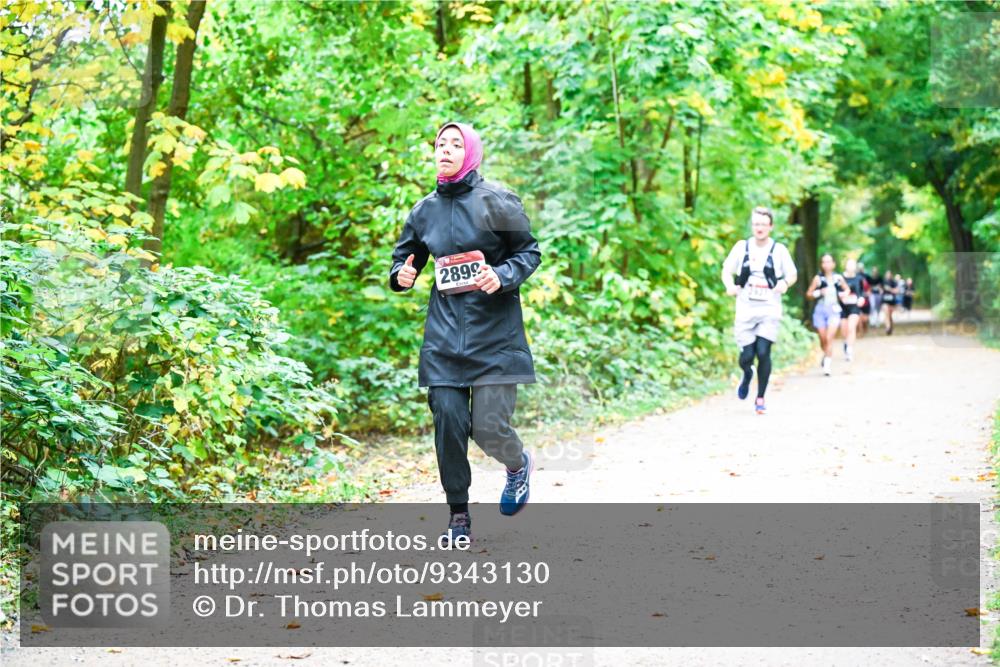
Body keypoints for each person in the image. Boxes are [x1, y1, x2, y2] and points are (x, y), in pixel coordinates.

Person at [388, 121, 541, 542]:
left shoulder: (499, 201)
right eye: (441, 144)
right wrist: (401, 274)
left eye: (456, 144)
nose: (447, 150)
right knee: (450, 424)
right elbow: (406, 258)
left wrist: (503, 274)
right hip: (443, 340)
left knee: (489, 426)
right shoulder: (423, 211)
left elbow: (529, 251)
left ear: (470, 153)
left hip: (496, 337)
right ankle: (459, 517)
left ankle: (516, 464)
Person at [721, 205, 798, 415]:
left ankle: (760, 397)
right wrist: (729, 286)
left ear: (771, 226)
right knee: (746, 357)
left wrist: (784, 284)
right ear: (752, 225)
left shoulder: (779, 250)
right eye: (756, 224)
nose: (759, 228)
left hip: (769, 308)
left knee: (763, 352)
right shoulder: (741, 247)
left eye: (763, 224)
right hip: (745, 309)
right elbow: (726, 270)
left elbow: (792, 275)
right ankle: (747, 374)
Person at [806, 253, 850, 375]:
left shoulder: (838, 278)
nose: (827, 264)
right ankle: (826, 354)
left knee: (830, 337)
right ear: (821, 264)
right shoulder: (818, 279)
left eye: (829, 261)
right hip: (820, 310)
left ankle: (827, 365)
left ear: (834, 264)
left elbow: (847, 289)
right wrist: (819, 292)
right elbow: (808, 294)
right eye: (824, 262)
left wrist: (844, 294)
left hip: (834, 311)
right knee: (823, 338)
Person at [838, 258, 866, 362]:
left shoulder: (859, 278)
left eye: (853, 265)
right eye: (849, 265)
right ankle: (846, 343)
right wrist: (840, 295)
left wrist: (861, 299)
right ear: (846, 266)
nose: (851, 267)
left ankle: (849, 350)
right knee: (844, 330)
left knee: (851, 327)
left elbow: (862, 292)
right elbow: (836, 291)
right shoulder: (840, 278)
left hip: (854, 306)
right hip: (842, 307)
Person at [881, 270, 899, 335]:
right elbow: (880, 289)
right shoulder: (883, 282)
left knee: (890, 315)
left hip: (892, 301)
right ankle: (887, 328)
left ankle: (891, 327)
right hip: (884, 300)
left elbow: (897, 291)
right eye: (887, 274)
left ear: (891, 275)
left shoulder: (894, 282)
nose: (888, 275)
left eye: (889, 274)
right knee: (886, 313)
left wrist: (890, 289)